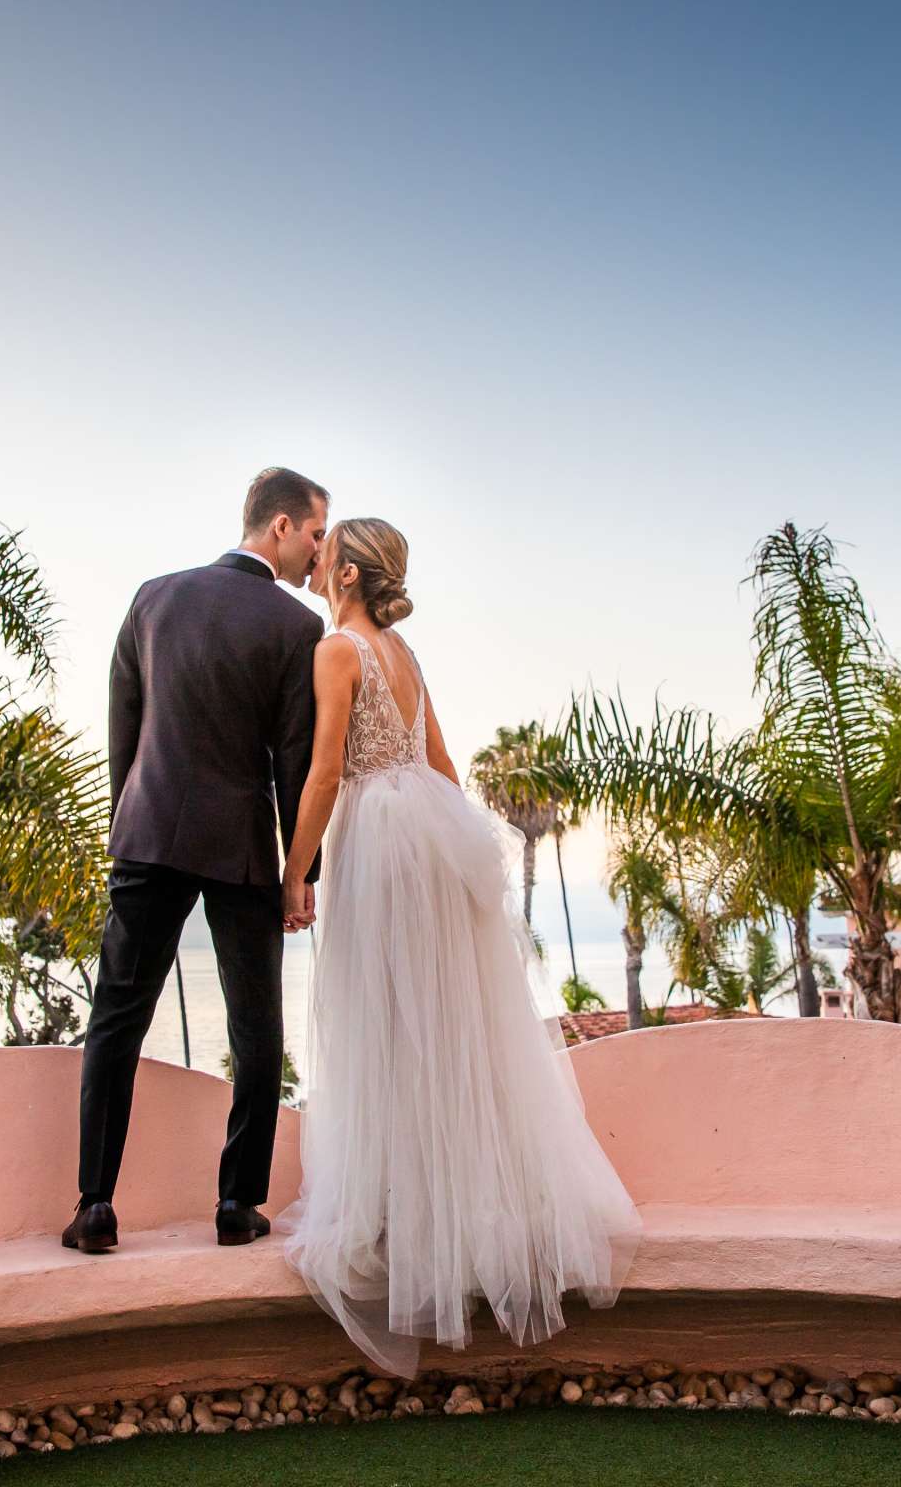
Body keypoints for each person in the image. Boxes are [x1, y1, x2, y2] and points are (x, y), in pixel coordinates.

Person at [277, 516, 641, 1375]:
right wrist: (464, 860)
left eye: (330, 551)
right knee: (441, 1029)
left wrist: (297, 872)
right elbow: (442, 765)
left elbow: (327, 772)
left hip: (376, 840)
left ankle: (398, 1225)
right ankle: (452, 1220)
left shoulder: (338, 652)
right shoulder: (407, 659)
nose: (318, 558)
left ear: (351, 574)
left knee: (384, 1023)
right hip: (428, 840)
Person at [65, 467, 328, 1254]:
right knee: (256, 1029)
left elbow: (125, 723)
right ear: (279, 527)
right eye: (316, 532)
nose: (319, 552)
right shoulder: (295, 629)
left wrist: (130, 819)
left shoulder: (154, 597)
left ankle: (94, 1207)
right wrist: (298, 876)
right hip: (241, 846)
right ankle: (237, 1203)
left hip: (148, 832)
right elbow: (293, 762)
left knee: (116, 1019)